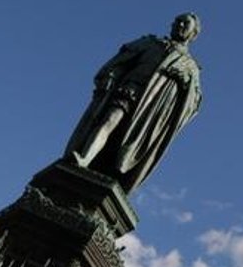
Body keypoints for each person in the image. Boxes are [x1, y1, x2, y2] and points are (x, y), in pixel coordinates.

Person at [65, 13, 202, 193]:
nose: (180, 25)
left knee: (125, 146)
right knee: (109, 121)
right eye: (178, 21)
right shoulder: (150, 43)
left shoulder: (190, 67)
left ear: (193, 33)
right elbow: (120, 61)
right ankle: (84, 159)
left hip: (150, 112)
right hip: (130, 90)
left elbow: (194, 104)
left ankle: (115, 175)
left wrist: (186, 82)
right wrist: (110, 74)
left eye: (186, 24)